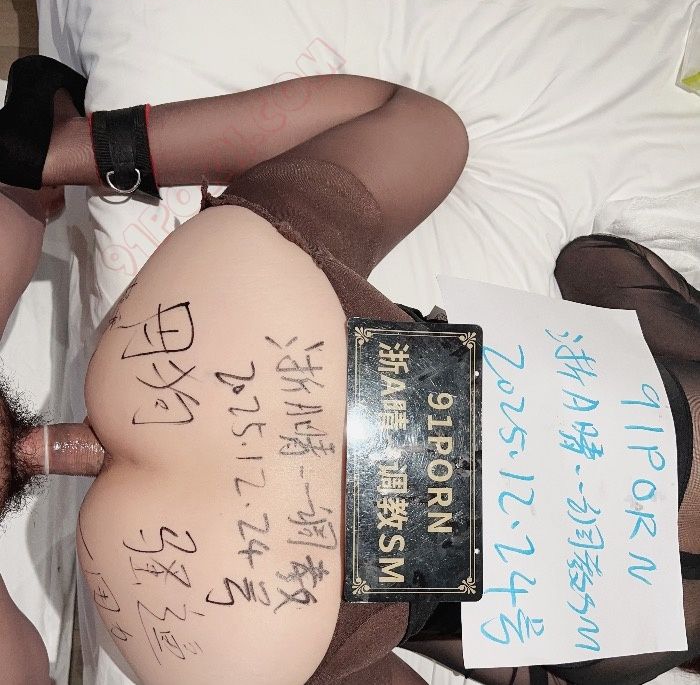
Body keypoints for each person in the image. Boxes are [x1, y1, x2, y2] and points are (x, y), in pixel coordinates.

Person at [0, 55, 696, 684]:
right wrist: (53, 161)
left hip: (606, 622)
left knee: (372, 634)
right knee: (438, 142)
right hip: (238, 337)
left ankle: (410, 609)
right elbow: (425, 134)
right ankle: (60, 150)